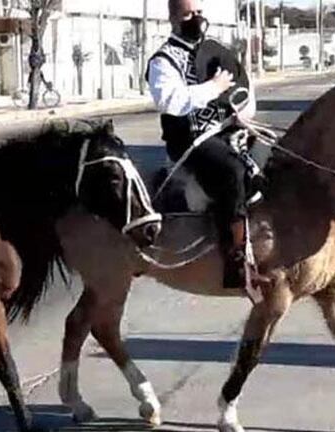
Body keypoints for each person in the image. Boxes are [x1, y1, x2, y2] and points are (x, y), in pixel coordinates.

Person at [146, 0, 266, 289]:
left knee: (273, 155)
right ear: (173, 18)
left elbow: (242, 88)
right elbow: (170, 101)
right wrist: (213, 89)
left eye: (199, 13)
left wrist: (242, 110)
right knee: (230, 170)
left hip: (227, 131)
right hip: (191, 139)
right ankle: (236, 262)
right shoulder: (163, 60)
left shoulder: (216, 50)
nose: (196, 19)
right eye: (188, 14)